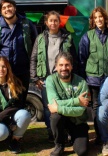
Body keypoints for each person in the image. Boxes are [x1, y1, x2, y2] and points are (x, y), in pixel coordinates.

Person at [79, 6, 108, 143]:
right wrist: (83, 81)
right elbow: (81, 59)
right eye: (95, 17)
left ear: (105, 18)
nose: (98, 19)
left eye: (101, 16)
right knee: (96, 107)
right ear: (93, 20)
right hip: (92, 80)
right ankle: (100, 136)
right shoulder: (87, 36)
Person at [30, 10, 78, 142]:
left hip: (63, 78)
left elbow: (74, 58)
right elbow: (33, 58)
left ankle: (65, 131)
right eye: (50, 20)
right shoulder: (40, 38)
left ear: (59, 22)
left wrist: (74, 76)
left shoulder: (67, 38)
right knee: (47, 107)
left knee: (63, 104)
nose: (53, 23)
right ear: (46, 22)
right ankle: (51, 132)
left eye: (56, 20)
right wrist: (35, 78)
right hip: (45, 78)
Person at [0, 0, 38, 104]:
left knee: (21, 101)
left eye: (9, 6)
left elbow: (36, 47)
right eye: (4, 8)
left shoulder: (27, 24)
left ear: (15, 8)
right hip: (3, 72)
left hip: (22, 71)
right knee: (4, 102)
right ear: (1, 11)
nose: (7, 9)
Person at [0, 56, 31, 154]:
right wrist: (2, 120)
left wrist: (2, 117)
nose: (1, 69)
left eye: (4, 66)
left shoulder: (14, 83)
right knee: (0, 133)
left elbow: (17, 105)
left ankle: (14, 141)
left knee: (24, 114)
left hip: (6, 117)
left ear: (8, 68)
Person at [46, 51, 89, 156]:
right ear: (56, 67)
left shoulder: (81, 82)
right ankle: (59, 145)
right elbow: (53, 103)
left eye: (67, 65)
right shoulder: (50, 80)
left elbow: (81, 110)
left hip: (78, 121)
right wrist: (76, 101)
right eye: (61, 65)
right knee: (55, 117)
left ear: (72, 66)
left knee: (82, 151)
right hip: (62, 120)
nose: (64, 68)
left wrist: (59, 108)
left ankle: (72, 137)